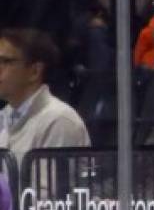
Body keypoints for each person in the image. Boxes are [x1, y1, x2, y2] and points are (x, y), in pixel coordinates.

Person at [0, 28, 90, 166]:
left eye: (6, 61)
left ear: (34, 71)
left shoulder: (59, 121)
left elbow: (48, 187)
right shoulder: (4, 117)